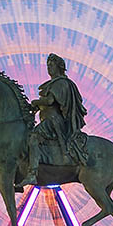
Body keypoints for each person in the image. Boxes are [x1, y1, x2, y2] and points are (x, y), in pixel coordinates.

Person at [20, 53, 88, 186]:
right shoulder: (54, 83)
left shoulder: (61, 83)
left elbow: (50, 100)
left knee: (33, 138)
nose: (49, 68)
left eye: (51, 65)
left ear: (59, 67)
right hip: (48, 119)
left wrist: (36, 102)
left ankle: (32, 173)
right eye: (47, 66)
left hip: (53, 121)